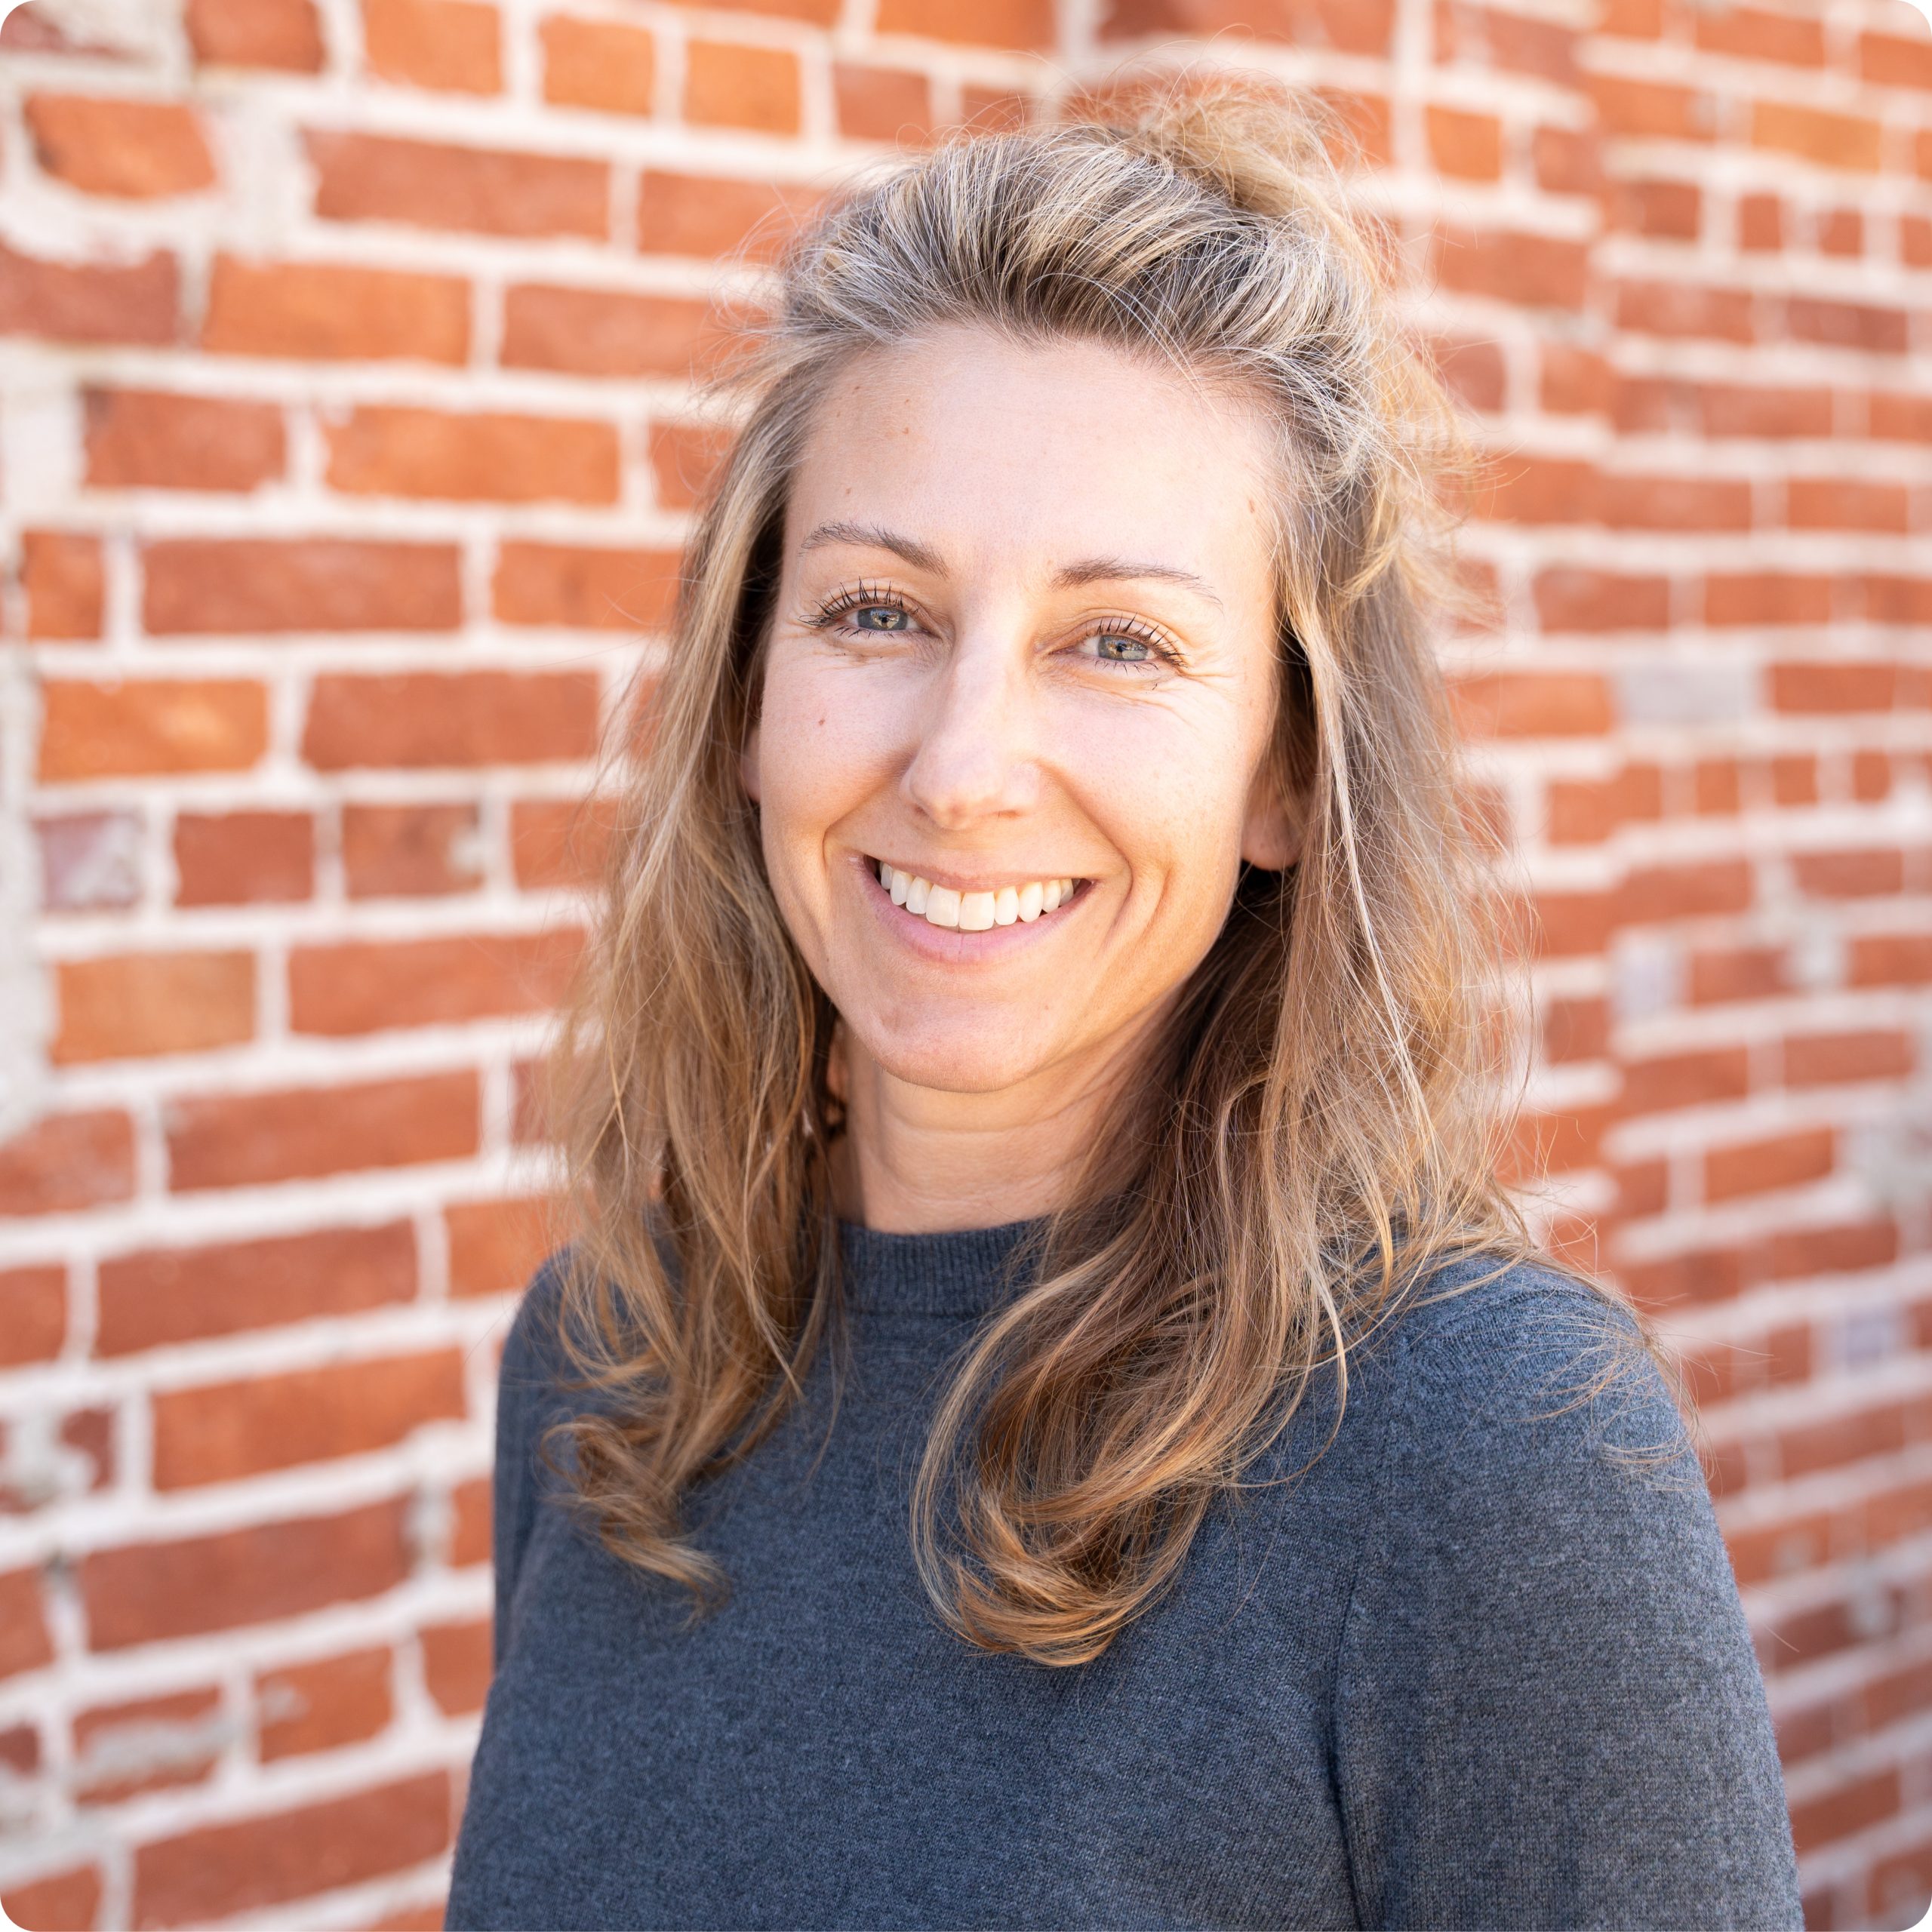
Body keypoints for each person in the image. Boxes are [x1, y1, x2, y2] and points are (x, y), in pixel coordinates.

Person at [445, 75, 1802, 1930]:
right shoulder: (605, 1364)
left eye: (1117, 641)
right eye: (872, 612)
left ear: (1284, 771)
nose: (962, 764)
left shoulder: (1487, 1463)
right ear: (746, 697)